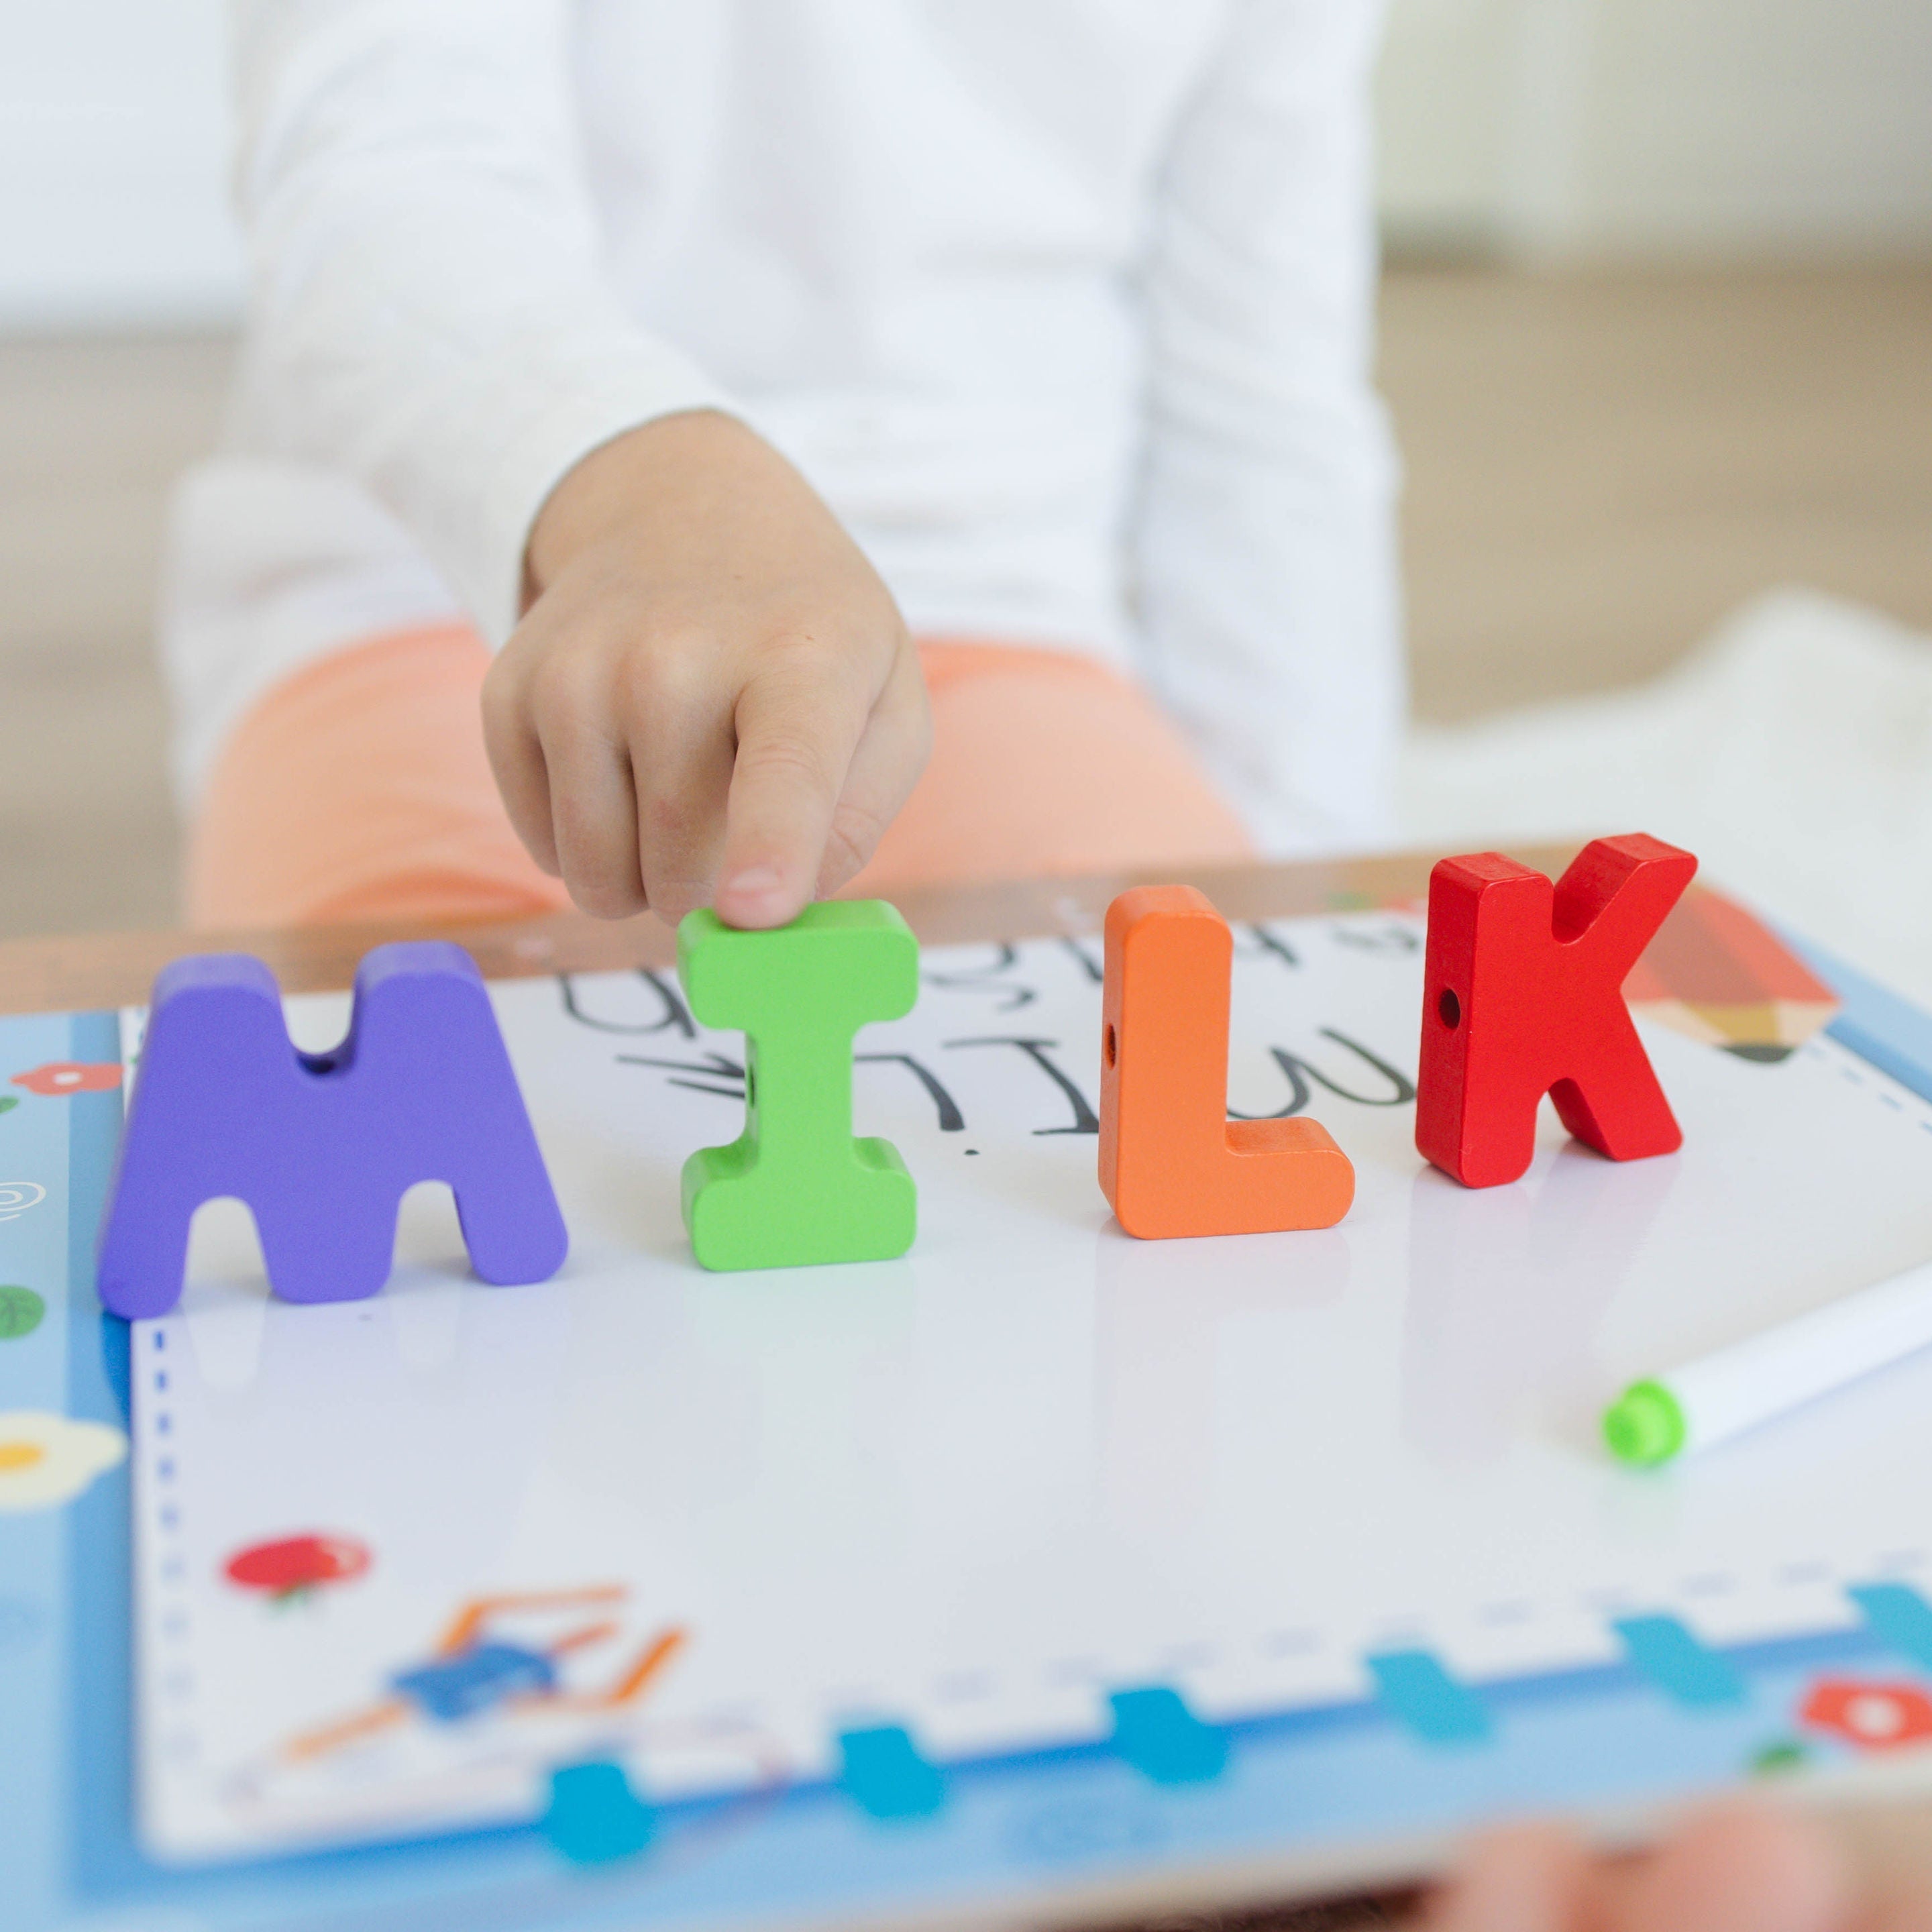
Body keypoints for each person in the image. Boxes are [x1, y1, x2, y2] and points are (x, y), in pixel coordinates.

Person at [162, 1, 1401, 933]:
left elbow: (1264, 396)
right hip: (437, 583)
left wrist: (1301, 882)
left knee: (1173, 1053)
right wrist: (640, 478)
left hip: (985, 617)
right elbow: (382, 167)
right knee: (387, 1134)